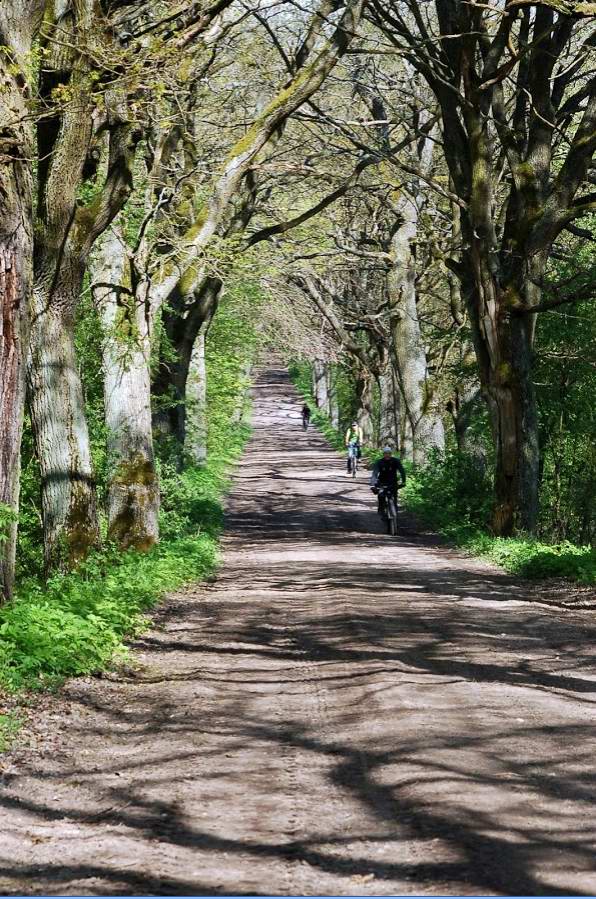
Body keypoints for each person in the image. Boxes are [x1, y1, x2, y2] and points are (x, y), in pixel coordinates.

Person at [370, 446, 406, 517]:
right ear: (383, 454)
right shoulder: (379, 462)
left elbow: (402, 471)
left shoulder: (396, 461)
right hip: (382, 482)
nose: (387, 455)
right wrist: (373, 484)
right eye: (385, 453)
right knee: (381, 495)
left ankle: (395, 517)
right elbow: (375, 473)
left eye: (389, 453)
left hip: (393, 482)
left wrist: (403, 481)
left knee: (394, 498)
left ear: (391, 454)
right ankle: (381, 509)